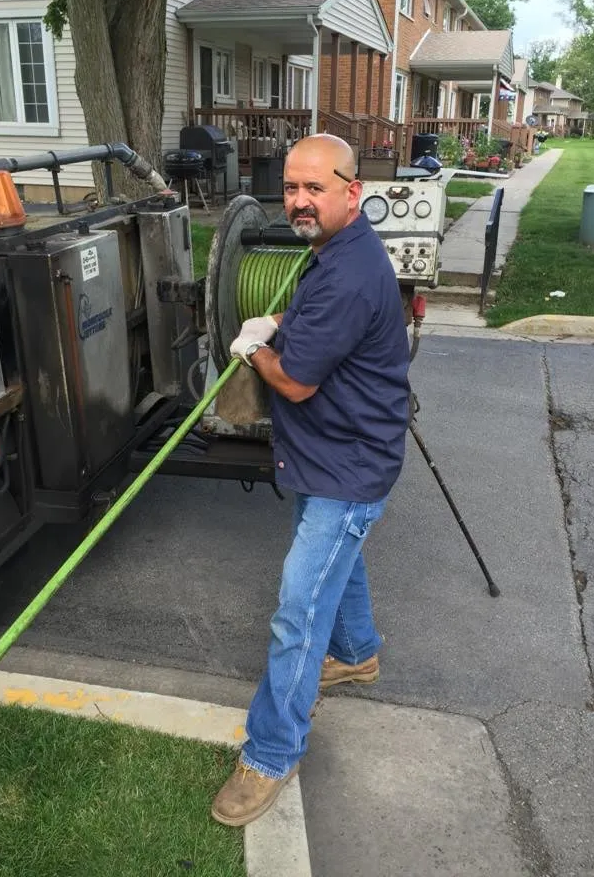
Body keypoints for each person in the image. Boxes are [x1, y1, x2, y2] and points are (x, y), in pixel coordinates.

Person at [211, 133, 411, 827]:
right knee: (334, 567)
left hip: (346, 467)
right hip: (333, 454)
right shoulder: (337, 252)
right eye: (290, 188)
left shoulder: (351, 271)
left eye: (314, 188)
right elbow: (314, 320)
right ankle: (356, 656)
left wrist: (257, 345)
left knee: (298, 611)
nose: (298, 200)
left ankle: (269, 753)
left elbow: (294, 382)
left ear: (350, 192)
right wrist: (278, 319)